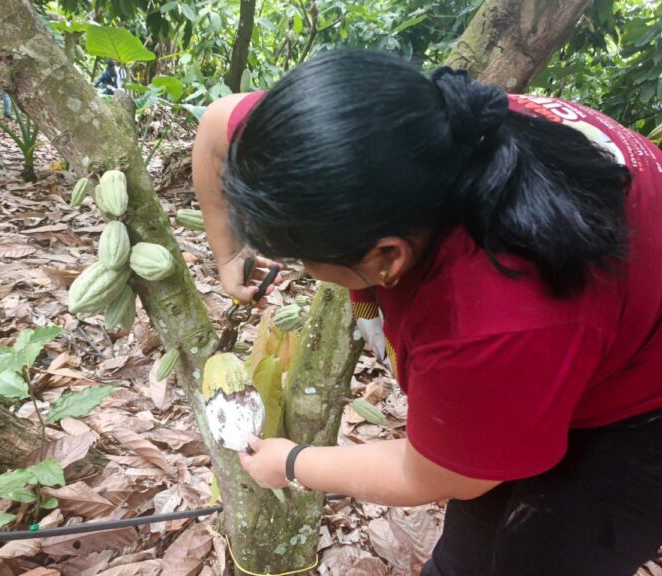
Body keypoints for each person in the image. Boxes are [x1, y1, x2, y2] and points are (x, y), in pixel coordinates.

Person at [192, 49, 662, 576]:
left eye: (307, 261)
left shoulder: (490, 319)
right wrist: (229, 254)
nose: (303, 269)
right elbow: (217, 127)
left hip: (641, 403)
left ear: (388, 256)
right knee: (469, 552)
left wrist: (292, 463)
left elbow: (444, 475)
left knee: (545, 554)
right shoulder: (370, 137)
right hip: (590, 323)